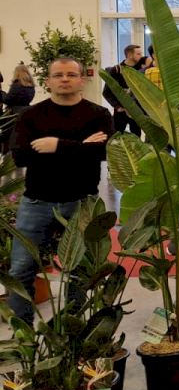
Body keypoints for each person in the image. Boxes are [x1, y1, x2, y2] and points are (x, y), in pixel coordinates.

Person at [7, 57, 113, 325]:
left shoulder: (99, 114)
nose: (65, 79)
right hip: (37, 202)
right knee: (21, 270)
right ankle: (23, 334)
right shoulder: (30, 115)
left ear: (82, 80)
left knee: (81, 271)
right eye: (58, 75)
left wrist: (57, 145)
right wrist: (82, 147)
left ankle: (72, 330)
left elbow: (104, 152)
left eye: (71, 74)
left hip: (82, 203)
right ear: (48, 81)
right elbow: (20, 156)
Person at [101, 43, 143, 136]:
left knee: (137, 136)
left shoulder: (141, 70)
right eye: (138, 54)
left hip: (136, 111)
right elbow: (106, 92)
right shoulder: (116, 70)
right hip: (120, 111)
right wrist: (118, 107)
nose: (141, 56)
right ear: (129, 55)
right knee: (117, 136)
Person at [0, 63, 36, 153]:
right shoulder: (31, 87)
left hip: (13, 114)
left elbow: (7, 100)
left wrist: (2, 93)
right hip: (26, 111)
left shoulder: (16, 85)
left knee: (7, 136)